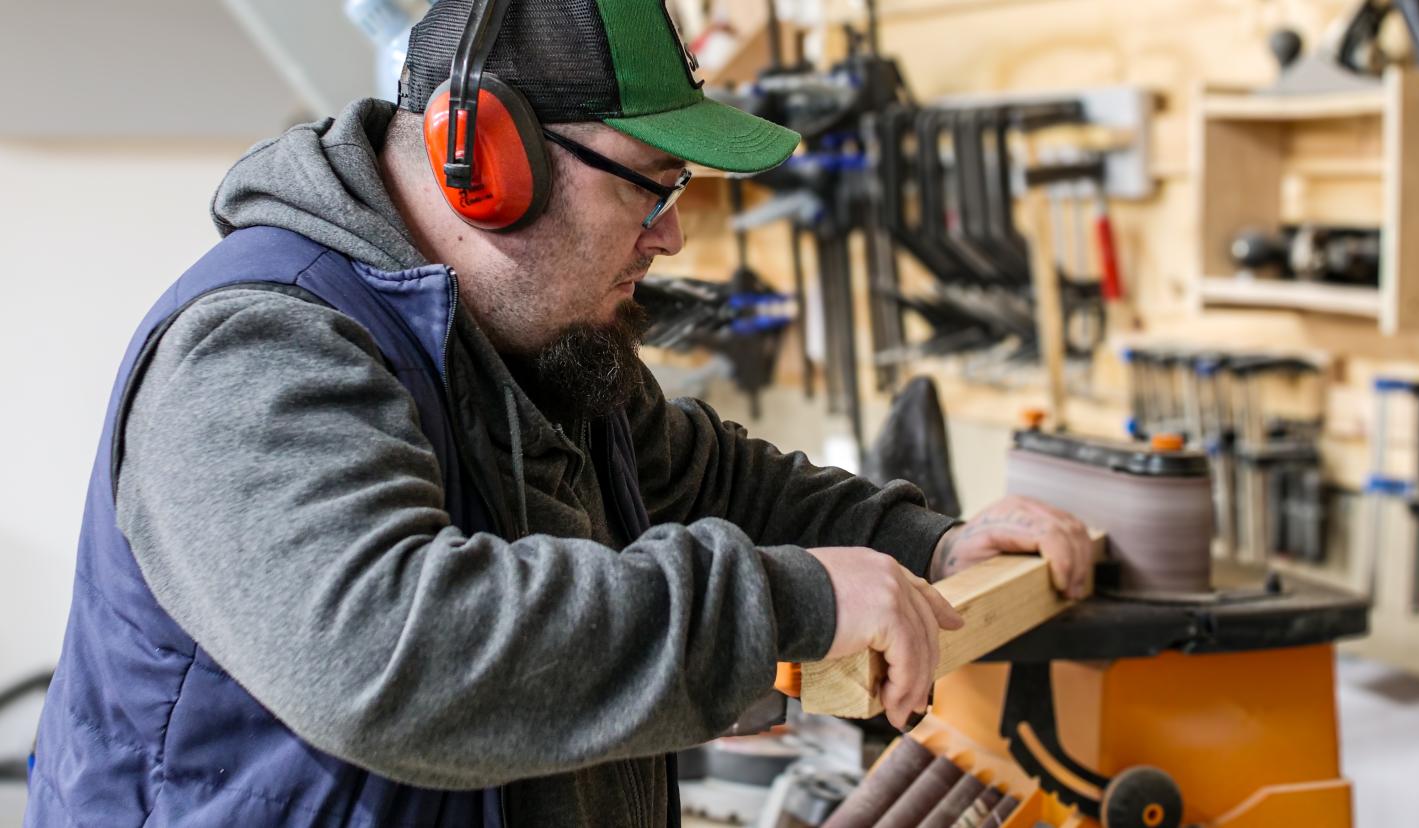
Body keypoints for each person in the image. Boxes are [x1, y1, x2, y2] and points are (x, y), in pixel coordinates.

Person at [25, 0, 1092, 825]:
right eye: (652, 186)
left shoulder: (529, 341)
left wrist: (927, 541)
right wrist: (786, 602)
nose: (670, 238)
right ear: (485, 163)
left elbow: (712, 480)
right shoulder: (260, 350)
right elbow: (393, 655)